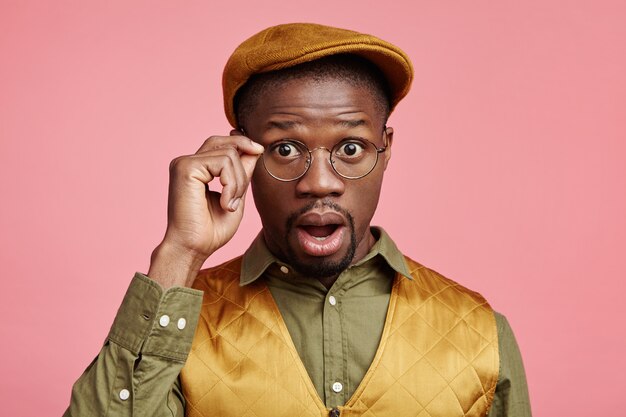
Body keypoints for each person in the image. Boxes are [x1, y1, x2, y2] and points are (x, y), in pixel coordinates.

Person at [64, 23, 531, 417]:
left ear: (387, 150)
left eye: (351, 148)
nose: (320, 183)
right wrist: (179, 254)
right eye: (284, 149)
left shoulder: (480, 330)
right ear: (240, 154)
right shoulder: (177, 322)